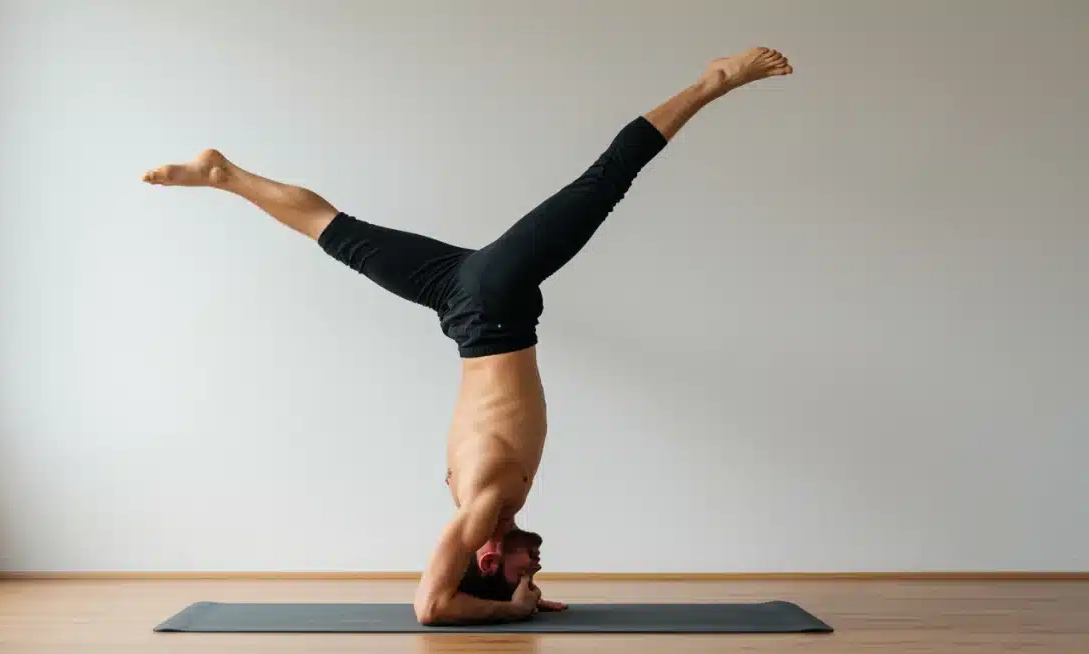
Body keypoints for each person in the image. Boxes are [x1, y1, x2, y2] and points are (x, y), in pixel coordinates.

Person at [142, 46, 793, 625]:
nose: (536, 566)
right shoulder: (475, 500)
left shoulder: (483, 506)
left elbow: (431, 607)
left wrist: (508, 609)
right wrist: (517, 596)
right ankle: (226, 176)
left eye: (522, 572)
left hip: (491, 305)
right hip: (464, 307)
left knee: (604, 182)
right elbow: (477, 578)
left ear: (487, 555)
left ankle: (713, 81)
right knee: (329, 227)